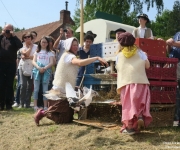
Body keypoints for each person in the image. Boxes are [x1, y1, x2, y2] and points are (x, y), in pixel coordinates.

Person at [33, 37, 108, 126]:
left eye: (76, 45)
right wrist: (96, 58)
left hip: (65, 90)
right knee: (63, 119)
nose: (76, 47)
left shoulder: (67, 55)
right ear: (69, 46)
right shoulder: (69, 56)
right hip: (60, 92)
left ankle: (52, 111)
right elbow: (79, 63)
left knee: (68, 118)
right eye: (73, 45)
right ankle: (42, 113)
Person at [116, 32, 152, 135]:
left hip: (126, 83)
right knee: (139, 102)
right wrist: (146, 57)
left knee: (128, 105)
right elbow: (147, 66)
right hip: (141, 82)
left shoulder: (119, 55)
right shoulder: (140, 53)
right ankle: (140, 115)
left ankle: (130, 128)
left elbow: (118, 68)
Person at [0, 24, 23, 110]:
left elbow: (20, 46)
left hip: (11, 64)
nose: (7, 31)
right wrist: (1, 34)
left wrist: (15, 36)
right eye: (6, 29)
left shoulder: (14, 39)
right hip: (1, 64)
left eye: (9, 30)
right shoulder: (1, 38)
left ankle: (9, 104)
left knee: (9, 84)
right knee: (1, 84)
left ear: (12, 30)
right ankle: (1, 104)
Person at [32, 36, 54, 111]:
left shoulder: (50, 53)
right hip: (37, 71)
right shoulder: (37, 52)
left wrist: (45, 68)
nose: (44, 43)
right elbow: (33, 61)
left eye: (45, 42)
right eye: (42, 42)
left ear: (48, 43)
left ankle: (45, 106)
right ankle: (35, 105)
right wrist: (38, 67)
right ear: (40, 43)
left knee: (45, 90)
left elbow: (51, 62)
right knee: (36, 89)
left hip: (46, 72)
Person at [18, 32, 37, 108]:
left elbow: (34, 57)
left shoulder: (37, 46)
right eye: (25, 37)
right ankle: (21, 103)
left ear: (31, 38)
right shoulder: (21, 47)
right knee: (23, 85)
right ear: (23, 39)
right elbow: (25, 54)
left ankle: (27, 104)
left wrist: (27, 56)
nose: (27, 38)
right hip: (23, 67)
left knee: (30, 86)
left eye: (29, 37)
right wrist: (30, 48)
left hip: (32, 67)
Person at [166, 32, 180, 125]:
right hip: (172, 64)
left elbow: (175, 43)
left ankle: (177, 119)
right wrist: (168, 45)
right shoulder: (177, 34)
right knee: (174, 92)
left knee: (178, 93)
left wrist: (171, 42)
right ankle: (174, 118)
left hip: (179, 64)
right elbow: (168, 51)